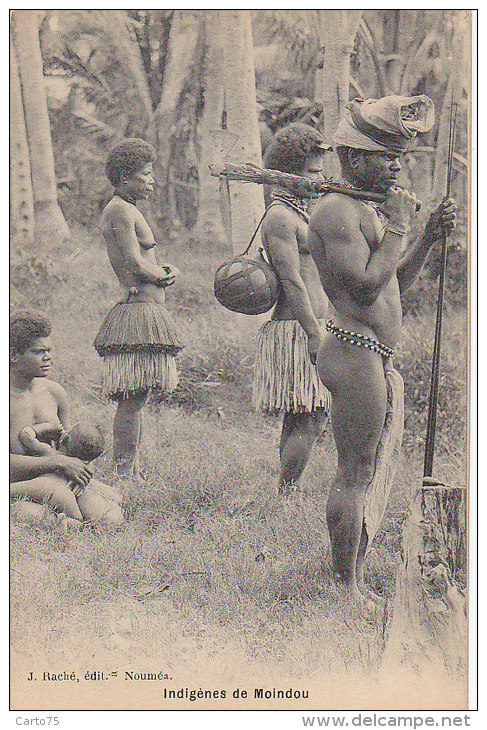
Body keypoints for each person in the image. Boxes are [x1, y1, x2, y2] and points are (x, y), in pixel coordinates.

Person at [307, 95, 457, 601]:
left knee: (365, 470)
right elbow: (366, 288)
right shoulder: (333, 211)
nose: (396, 166)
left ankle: (353, 574)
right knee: (355, 471)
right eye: (385, 156)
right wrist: (400, 226)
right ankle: (343, 584)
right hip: (352, 353)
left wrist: (427, 238)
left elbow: (396, 283)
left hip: (372, 354)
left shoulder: (365, 210)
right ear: (352, 158)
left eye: (399, 157)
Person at [94, 138, 183, 476]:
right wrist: (165, 274)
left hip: (146, 309)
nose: (152, 180)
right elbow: (133, 262)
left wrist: (165, 270)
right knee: (131, 398)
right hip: (137, 310)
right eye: (145, 174)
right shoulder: (118, 209)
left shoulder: (128, 209)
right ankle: (122, 471)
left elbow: (144, 261)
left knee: (138, 398)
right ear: (124, 178)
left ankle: (129, 469)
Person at [252, 123, 333, 494]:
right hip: (297, 329)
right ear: (286, 173)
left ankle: (285, 491)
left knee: (300, 414)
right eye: (312, 172)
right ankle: (285, 493)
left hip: (309, 325)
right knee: (312, 417)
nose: (319, 179)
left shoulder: (299, 214)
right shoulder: (280, 218)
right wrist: (314, 333)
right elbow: (291, 281)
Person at [10, 310, 123, 527]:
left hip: (59, 480)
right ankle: (66, 523)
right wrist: (58, 462)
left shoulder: (54, 392)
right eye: (38, 352)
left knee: (110, 519)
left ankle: (70, 521)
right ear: (14, 355)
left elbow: (69, 445)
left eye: (49, 350)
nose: (48, 357)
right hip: (19, 485)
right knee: (32, 516)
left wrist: (81, 470)